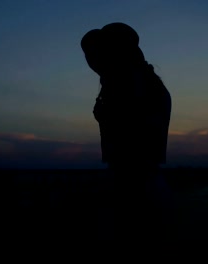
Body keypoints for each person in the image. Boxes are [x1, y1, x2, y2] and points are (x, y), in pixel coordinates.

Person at [81, 23, 173, 240]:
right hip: (137, 181)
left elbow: (131, 134)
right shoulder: (139, 80)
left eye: (103, 52)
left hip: (134, 186)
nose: (95, 62)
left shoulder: (130, 82)